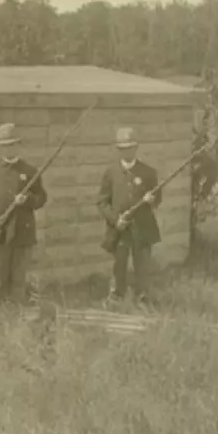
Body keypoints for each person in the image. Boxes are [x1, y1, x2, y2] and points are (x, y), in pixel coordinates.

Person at [0, 122, 48, 304]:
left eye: (13, 144)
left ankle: (17, 319)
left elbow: (42, 198)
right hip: (0, 236)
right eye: (6, 145)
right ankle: (0, 319)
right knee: (0, 281)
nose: (9, 148)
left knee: (19, 281)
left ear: (18, 145)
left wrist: (27, 201)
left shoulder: (30, 171)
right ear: (0, 147)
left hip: (22, 234)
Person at [96, 127, 162, 305]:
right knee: (119, 265)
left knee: (142, 265)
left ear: (136, 148)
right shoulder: (111, 173)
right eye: (123, 148)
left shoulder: (148, 173)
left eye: (131, 147)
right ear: (118, 150)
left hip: (142, 228)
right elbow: (102, 202)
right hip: (120, 229)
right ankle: (116, 297)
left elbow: (158, 199)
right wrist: (115, 219)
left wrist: (150, 200)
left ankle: (142, 299)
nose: (127, 151)